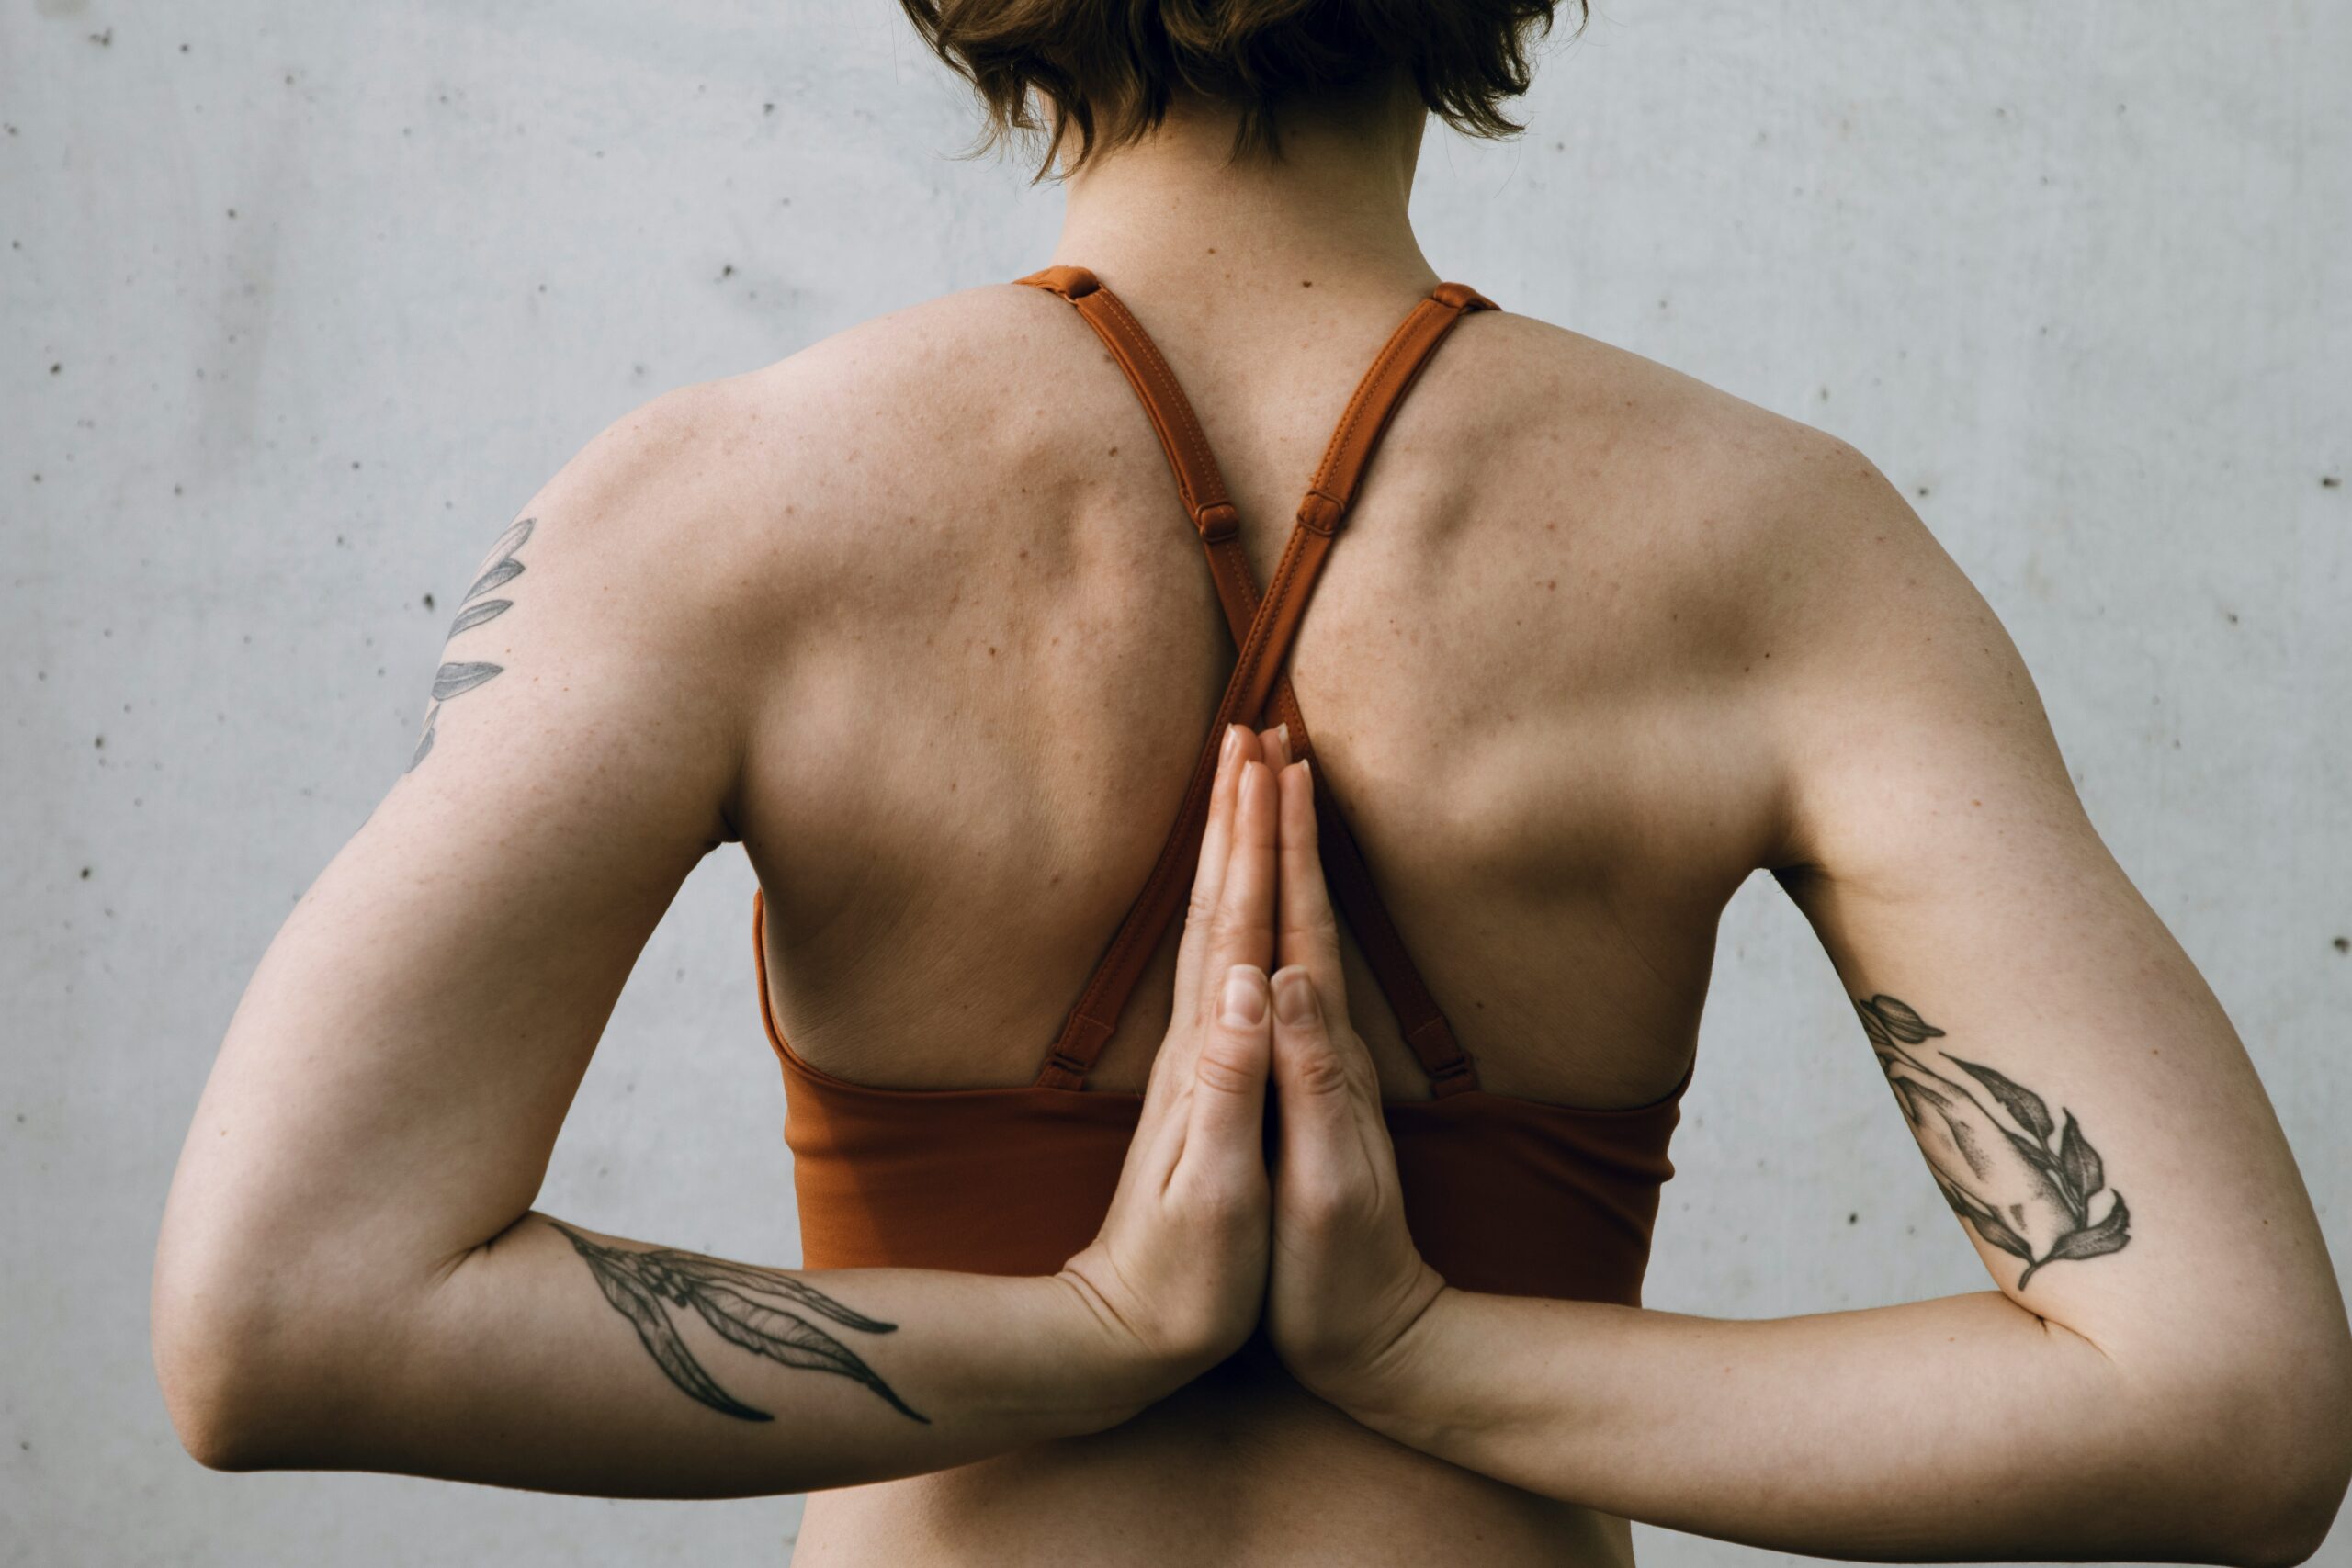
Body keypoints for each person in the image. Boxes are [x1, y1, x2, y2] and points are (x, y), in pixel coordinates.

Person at [151, 2, 2349, 1562]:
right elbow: (2227, 1416)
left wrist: (1087, 1333)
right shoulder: (1773, 545)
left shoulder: (723, 512)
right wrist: (1428, 1360)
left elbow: (283, 1310)